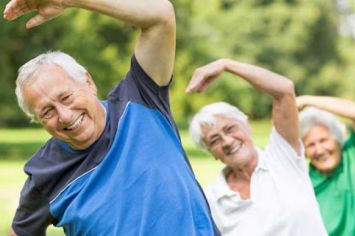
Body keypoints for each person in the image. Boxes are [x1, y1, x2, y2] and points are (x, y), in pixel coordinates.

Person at [3, 0, 219, 235]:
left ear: (87, 82)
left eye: (65, 97)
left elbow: (161, 15)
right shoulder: (45, 173)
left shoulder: (140, 98)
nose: (64, 116)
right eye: (47, 111)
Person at [187, 58, 327, 235]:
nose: (228, 142)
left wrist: (226, 65)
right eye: (215, 140)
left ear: (247, 125)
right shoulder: (214, 199)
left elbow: (284, 90)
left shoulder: (282, 157)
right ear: (211, 153)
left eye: (230, 129)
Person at [297, 95, 355, 236]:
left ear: (337, 139)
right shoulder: (303, 185)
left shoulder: (352, 153)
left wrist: (306, 100)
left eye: (323, 140)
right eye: (311, 145)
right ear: (304, 152)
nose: (319, 150)